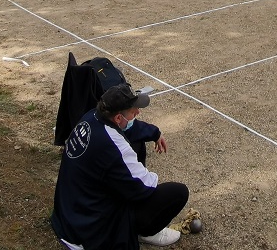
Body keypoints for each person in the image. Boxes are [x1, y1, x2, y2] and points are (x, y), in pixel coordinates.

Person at [51, 83, 189, 249]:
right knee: (177, 192)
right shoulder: (114, 147)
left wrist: (155, 133)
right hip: (87, 230)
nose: (137, 112)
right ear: (118, 118)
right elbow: (145, 186)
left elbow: (131, 128)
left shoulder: (92, 116)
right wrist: (143, 172)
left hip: (68, 214)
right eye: (133, 110)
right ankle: (145, 232)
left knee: (134, 145)